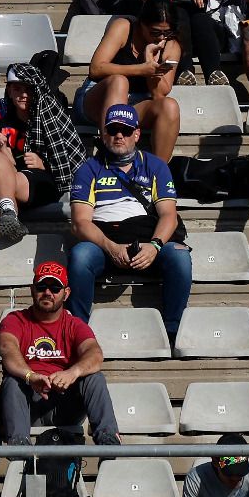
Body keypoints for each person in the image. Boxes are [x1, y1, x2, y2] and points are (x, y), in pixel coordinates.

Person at [67, 103, 193, 341]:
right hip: (103, 243)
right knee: (80, 256)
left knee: (179, 256)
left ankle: (172, 330)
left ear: (136, 133)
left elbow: (169, 215)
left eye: (125, 131)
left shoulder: (155, 166)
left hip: (146, 241)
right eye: (113, 130)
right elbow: (80, 223)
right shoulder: (88, 169)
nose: (118, 136)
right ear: (104, 133)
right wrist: (110, 247)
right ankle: (78, 331)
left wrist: (155, 245)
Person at [0, 261, 121, 447]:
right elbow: (8, 351)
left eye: (55, 288)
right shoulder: (15, 320)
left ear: (66, 293)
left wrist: (72, 373)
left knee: (94, 378)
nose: (48, 293)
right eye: (42, 287)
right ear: (32, 289)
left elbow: (95, 354)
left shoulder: (75, 324)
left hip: (64, 403)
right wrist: (31, 376)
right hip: (28, 402)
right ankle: (18, 445)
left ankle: (108, 438)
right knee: (13, 381)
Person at [0, 61, 83, 248]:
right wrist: (0, 149)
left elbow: (70, 161)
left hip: (45, 182)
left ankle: (7, 241)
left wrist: (43, 163)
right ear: (9, 91)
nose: (22, 95)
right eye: (17, 89)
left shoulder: (50, 116)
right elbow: (4, 166)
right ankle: (10, 219)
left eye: (28, 90)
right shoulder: (1, 120)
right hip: (13, 180)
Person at [81, 0, 183, 161]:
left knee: (170, 106)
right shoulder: (124, 27)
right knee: (119, 81)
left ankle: (158, 175)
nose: (161, 38)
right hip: (98, 99)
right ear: (141, 24)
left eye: (167, 32)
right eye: (155, 32)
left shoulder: (171, 46)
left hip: (135, 104)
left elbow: (159, 94)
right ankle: (112, 158)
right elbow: (96, 68)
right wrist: (141, 69)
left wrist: (151, 62)